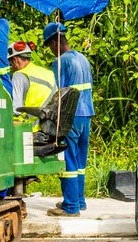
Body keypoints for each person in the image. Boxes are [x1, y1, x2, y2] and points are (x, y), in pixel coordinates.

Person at [43, 21, 93, 216]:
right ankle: (79, 201)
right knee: (80, 160)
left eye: (49, 46)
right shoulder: (83, 58)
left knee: (68, 161)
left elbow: (57, 93)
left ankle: (70, 206)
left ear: (55, 42)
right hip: (86, 114)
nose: (50, 50)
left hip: (71, 116)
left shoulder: (60, 62)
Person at [7, 40, 55, 114]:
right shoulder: (49, 73)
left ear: (15, 60)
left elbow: (16, 110)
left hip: (32, 124)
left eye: (10, 64)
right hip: (53, 124)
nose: (11, 68)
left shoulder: (19, 75)